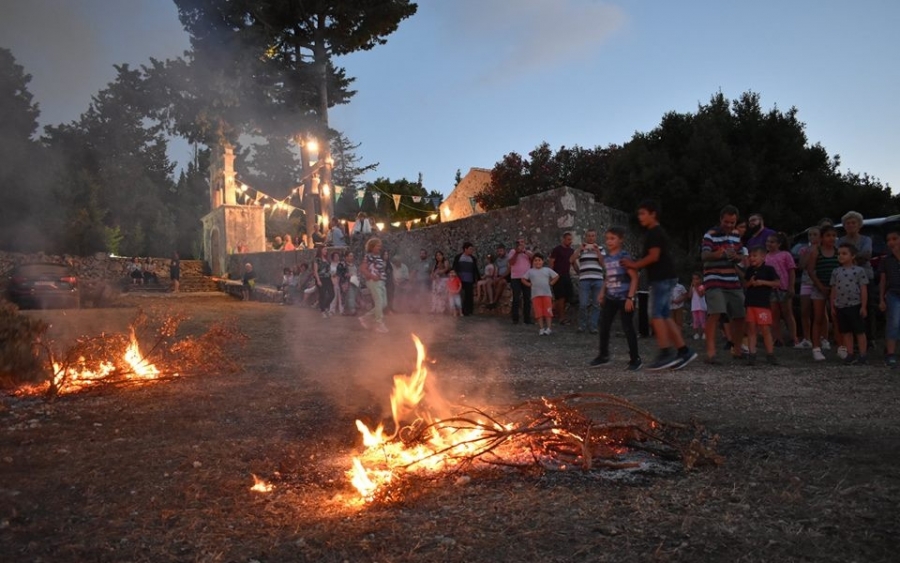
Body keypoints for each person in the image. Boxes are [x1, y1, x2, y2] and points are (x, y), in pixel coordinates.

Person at [621, 200, 697, 370]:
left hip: (662, 278)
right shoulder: (654, 232)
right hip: (664, 278)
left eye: (643, 213)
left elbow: (653, 257)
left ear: (652, 214)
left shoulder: (654, 233)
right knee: (664, 315)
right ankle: (684, 351)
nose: (640, 217)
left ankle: (665, 353)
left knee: (656, 315)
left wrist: (634, 264)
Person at [590, 226, 641, 370]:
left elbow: (634, 278)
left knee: (627, 328)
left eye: (613, 238)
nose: (609, 241)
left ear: (620, 240)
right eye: (607, 239)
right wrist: (602, 292)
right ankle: (603, 355)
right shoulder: (608, 258)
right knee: (604, 325)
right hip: (611, 298)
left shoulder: (624, 257)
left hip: (625, 298)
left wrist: (630, 298)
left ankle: (635, 359)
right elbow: (608, 276)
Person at [700, 205, 746, 363]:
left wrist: (736, 257)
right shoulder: (710, 235)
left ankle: (737, 349)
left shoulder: (735, 234)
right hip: (714, 278)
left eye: (732, 222)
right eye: (726, 222)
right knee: (716, 313)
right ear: (721, 219)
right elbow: (704, 255)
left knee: (740, 314)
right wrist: (718, 254)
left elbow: (741, 256)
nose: (729, 225)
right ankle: (711, 353)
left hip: (732, 279)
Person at [838, 211, 875, 343]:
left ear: (859, 225)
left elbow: (867, 254)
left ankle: (869, 337)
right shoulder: (841, 241)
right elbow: (840, 257)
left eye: (853, 223)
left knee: (867, 306)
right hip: (846, 278)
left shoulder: (866, 239)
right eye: (848, 223)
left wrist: (849, 259)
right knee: (849, 308)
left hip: (865, 276)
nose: (851, 225)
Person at [830, 242, 869, 365]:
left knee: (859, 331)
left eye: (844, 253)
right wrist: (832, 306)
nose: (841, 256)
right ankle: (850, 353)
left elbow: (863, 289)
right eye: (839, 254)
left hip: (855, 304)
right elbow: (833, 289)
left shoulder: (859, 271)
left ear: (852, 256)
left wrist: (863, 306)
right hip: (840, 305)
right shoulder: (836, 271)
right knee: (845, 331)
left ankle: (863, 354)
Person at [807, 225, 839, 361]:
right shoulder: (816, 252)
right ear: (822, 238)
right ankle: (816, 348)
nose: (831, 238)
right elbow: (811, 270)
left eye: (833, 235)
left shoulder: (838, 251)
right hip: (819, 288)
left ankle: (841, 346)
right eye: (828, 235)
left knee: (837, 318)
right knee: (818, 318)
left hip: (836, 289)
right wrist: (820, 286)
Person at [743, 246, 780, 366]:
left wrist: (762, 282)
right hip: (750, 303)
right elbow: (745, 284)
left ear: (763, 257)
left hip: (762, 304)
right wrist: (751, 282)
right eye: (750, 256)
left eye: (754, 256)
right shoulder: (749, 270)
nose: (751, 258)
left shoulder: (769, 269)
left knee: (765, 329)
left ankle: (770, 354)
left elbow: (777, 283)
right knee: (751, 329)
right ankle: (752, 354)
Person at [765, 232, 797, 347]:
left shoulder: (785, 255)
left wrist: (791, 286)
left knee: (787, 312)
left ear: (779, 244)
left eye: (772, 242)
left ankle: (794, 338)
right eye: (768, 241)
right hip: (771, 288)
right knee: (774, 314)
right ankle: (777, 338)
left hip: (783, 287)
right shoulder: (765, 256)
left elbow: (791, 270)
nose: (769, 244)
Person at [571, 229, 605, 334]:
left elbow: (603, 264)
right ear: (586, 237)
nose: (591, 238)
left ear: (596, 237)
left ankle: (593, 326)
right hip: (584, 279)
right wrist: (580, 249)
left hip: (598, 279)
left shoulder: (601, 248)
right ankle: (582, 326)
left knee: (596, 304)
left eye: (593, 236)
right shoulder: (581, 249)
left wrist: (597, 251)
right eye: (589, 236)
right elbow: (571, 260)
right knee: (583, 304)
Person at [794, 226, 821, 349]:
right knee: (804, 310)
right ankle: (807, 338)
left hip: (820, 281)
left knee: (821, 312)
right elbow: (801, 266)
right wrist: (809, 252)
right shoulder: (804, 249)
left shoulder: (825, 250)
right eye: (810, 235)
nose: (812, 237)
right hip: (806, 281)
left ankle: (823, 338)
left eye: (815, 234)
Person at [521, 253, 559, 335]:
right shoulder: (530, 271)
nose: (537, 262)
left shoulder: (547, 270)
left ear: (542, 261)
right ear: (533, 262)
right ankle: (541, 328)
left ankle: (548, 328)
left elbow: (556, 276)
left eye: (539, 260)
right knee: (539, 312)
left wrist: (551, 283)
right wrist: (528, 284)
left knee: (548, 312)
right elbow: (523, 279)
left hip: (546, 294)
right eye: (535, 260)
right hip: (535, 295)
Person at [878, 228, 900, 367]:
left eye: (894, 239)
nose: (891, 242)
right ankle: (890, 354)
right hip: (893, 294)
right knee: (893, 322)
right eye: (888, 240)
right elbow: (883, 280)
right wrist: (881, 299)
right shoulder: (886, 260)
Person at [359, 237, 389, 333]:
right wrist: (372, 276)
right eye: (377, 246)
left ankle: (365, 317)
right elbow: (363, 269)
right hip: (374, 282)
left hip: (381, 282)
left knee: (383, 303)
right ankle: (379, 323)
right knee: (379, 301)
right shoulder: (368, 256)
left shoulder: (378, 257)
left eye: (380, 246)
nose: (379, 248)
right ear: (372, 247)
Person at [549, 232, 575, 325]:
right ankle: (562, 318)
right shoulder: (557, 250)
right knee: (560, 297)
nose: (570, 241)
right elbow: (552, 261)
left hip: (566, 275)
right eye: (568, 239)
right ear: (563, 239)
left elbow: (573, 262)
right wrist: (551, 275)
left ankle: (552, 311)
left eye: (571, 239)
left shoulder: (571, 251)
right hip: (557, 276)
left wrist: (579, 272)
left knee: (569, 297)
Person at [508, 238, 534, 324]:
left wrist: (524, 251)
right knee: (516, 297)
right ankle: (515, 318)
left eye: (522, 242)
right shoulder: (512, 252)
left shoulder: (528, 252)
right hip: (515, 278)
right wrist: (516, 252)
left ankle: (527, 319)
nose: (520, 244)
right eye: (519, 242)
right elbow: (511, 263)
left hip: (526, 277)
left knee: (527, 298)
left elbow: (533, 258)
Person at [452, 242, 480, 316]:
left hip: (469, 280)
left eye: (472, 249)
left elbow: (475, 269)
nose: (471, 251)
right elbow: (454, 267)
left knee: (469, 296)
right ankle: (458, 310)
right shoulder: (458, 257)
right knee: (459, 296)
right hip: (460, 280)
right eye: (470, 249)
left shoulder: (473, 259)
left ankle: (468, 311)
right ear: (465, 249)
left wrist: (478, 278)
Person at [313, 247, 333, 318]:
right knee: (322, 295)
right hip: (321, 278)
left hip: (328, 278)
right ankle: (322, 311)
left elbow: (329, 269)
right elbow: (315, 271)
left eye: (326, 250)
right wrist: (318, 280)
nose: (326, 251)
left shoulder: (327, 259)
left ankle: (325, 307)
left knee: (332, 294)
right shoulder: (317, 260)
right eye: (324, 249)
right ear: (320, 250)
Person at [413, 248, 432, 312]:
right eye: (421, 253)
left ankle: (426, 308)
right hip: (418, 282)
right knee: (419, 295)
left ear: (426, 255)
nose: (422, 255)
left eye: (423, 253)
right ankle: (419, 308)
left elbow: (431, 272)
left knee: (426, 295)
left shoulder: (429, 263)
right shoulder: (417, 263)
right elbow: (414, 272)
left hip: (426, 282)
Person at [491, 244, 510, 309]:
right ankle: (491, 301)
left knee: (501, 282)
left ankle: (494, 302)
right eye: (498, 251)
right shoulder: (498, 259)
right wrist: (495, 277)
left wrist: (500, 278)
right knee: (492, 283)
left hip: (507, 276)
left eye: (501, 251)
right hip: (499, 275)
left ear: (504, 250)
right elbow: (497, 269)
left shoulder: (509, 258)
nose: (499, 253)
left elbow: (508, 270)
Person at [328, 250, 346, 316]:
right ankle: (332, 310)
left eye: (338, 256)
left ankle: (342, 310)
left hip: (340, 281)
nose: (337, 257)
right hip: (333, 280)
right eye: (335, 256)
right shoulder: (330, 264)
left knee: (341, 296)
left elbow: (344, 272)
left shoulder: (342, 264)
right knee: (334, 295)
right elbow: (329, 273)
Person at [690, 272, 707, 341]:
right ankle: (696, 334)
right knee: (695, 321)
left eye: (697, 279)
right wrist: (691, 287)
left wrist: (696, 287)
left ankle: (704, 333)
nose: (695, 280)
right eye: (694, 279)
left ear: (700, 279)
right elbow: (689, 296)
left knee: (702, 320)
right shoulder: (692, 287)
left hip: (701, 307)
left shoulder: (701, 286)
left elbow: (701, 295)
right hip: (694, 307)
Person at [343, 251, 360, 315]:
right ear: (346, 257)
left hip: (355, 281)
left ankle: (345, 310)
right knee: (351, 295)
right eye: (350, 256)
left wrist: (358, 277)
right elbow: (340, 273)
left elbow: (357, 272)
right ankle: (352, 310)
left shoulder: (354, 265)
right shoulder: (343, 265)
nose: (351, 257)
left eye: (352, 256)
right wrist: (347, 274)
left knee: (352, 296)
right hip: (348, 282)